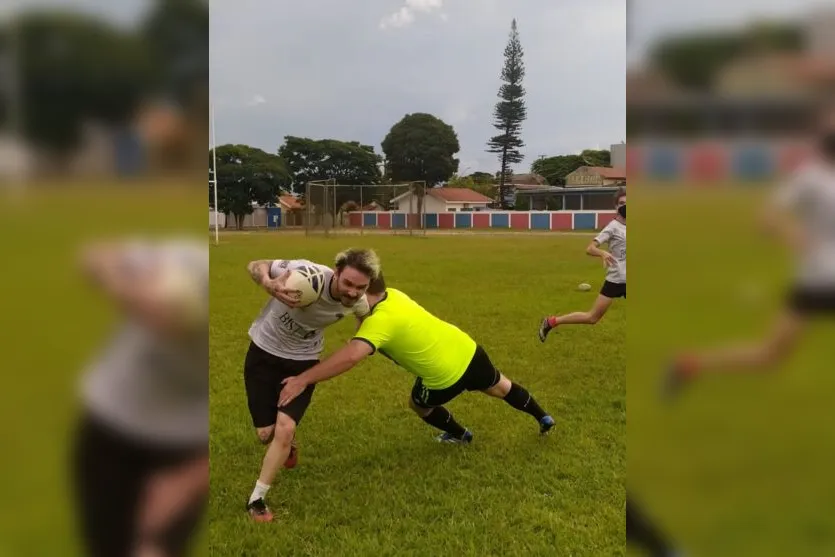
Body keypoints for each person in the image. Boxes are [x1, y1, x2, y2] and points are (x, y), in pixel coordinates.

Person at [664, 108, 835, 397]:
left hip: (818, 278)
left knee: (769, 355)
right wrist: (795, 236)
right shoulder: (812, 177)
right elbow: (767, 218)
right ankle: (690, 364)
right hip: (821, 279)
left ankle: (690, 364)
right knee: (769, 355)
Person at [279, 273, 555, 444]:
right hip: (468, 348)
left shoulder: (380, 322)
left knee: (418, 405)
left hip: (442, 377)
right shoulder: (395, 295)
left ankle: (461, 436)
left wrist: (304, 379)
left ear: (367, 291)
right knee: (500, 386)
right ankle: (543, 417)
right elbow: (366, 324)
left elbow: (351, 356)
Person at [73, 238, 209, 557]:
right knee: (107, 545)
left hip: (182, 447)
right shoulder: (184, 261)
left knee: (155, 548)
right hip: (110, 425)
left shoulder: (210, 341)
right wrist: (130, 289)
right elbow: (93, 256)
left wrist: (189, 479)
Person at [243, 248, 378, 522]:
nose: (352, 292)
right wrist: (268, 283)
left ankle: (257, 500)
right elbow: (256, 263)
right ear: (336, 272)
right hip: (263, 352)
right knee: (265, 434)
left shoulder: (358, 301)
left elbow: (364, 319)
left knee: (285, 427)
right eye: (348, 283)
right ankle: (287, 445)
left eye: (360, 287)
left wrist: (357, 340)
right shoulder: (306, 273)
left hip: (304, 362)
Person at [539, 187, 626, 341]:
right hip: (617, 279)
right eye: (621, 203)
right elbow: (590, 248)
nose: (625, 206)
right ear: (616, 207)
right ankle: (551, 322)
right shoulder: (612, 227)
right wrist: (603, 253)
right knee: (592, 318)